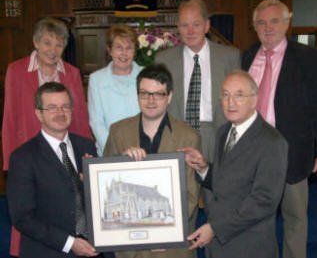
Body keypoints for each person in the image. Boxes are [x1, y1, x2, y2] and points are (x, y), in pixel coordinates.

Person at [241, 0, 317, 258]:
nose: (267, 27)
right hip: (252, 154)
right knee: (258, 219)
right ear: (254, 27)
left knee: (294, 218)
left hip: (292, 153)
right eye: (261, 22)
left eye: (274, 21)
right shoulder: (246, 57)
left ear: (286, 23)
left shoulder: (309, 58)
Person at [2, 17, 91, 257]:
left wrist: (86, 157)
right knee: (29, 213)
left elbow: (80, 117)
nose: (53, 50)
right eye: (47, 42)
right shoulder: (16, 70)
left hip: (64, 147)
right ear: (35, 42)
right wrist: (11, 164)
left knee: (66, 204)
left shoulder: (71, 72)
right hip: (29, 154)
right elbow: (10, 117)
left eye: (59, 44)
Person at [180, 71, 288, 258]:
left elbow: (264, 201)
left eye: (239, 95)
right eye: (225, 95)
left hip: (249, 246)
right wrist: (204, 168)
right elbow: (229, 181)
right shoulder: (224, 132)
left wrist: (215, 228)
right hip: (220, 244)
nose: (231, 102)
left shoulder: (272, 142)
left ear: (254, 100)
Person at [103, 64, 200, 258]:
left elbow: (190, 195)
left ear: (169, 96)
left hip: (170, 247)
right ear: (137, 95)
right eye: (145, 93)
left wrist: (160, 235)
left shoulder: (188, 137)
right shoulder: (118, 131)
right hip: (129, 247)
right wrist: (121, 163)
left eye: (158, 94)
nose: (151, 100)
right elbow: (106, 187)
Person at [6, 82, 100, 258]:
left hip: (93, 249)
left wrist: (95, 183)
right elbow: (22, 217)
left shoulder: (86, 147)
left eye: (65, 106)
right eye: (52, 108)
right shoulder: (22, 158)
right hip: (49, 251)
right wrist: (70, 243)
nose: (60, 113)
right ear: (38, 113)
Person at [155, 0, 240, 162]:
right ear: (178, 27)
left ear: (207, 25)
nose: (190, 31)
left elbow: (239, 101)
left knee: (214, 187)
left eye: (196, 24)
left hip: (217, 136)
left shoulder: (230, 57)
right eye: (185, 25)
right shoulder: (163, 60)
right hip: (177, 137)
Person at [88, 24, 144, 156]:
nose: (124, 53)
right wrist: (117, 150)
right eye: (119, 47)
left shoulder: (146, 74)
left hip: (143, 150)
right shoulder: (96, 79)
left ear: (135, 51)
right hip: (110, 151)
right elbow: (96, 122)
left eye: (129, 48)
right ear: (109, 50)